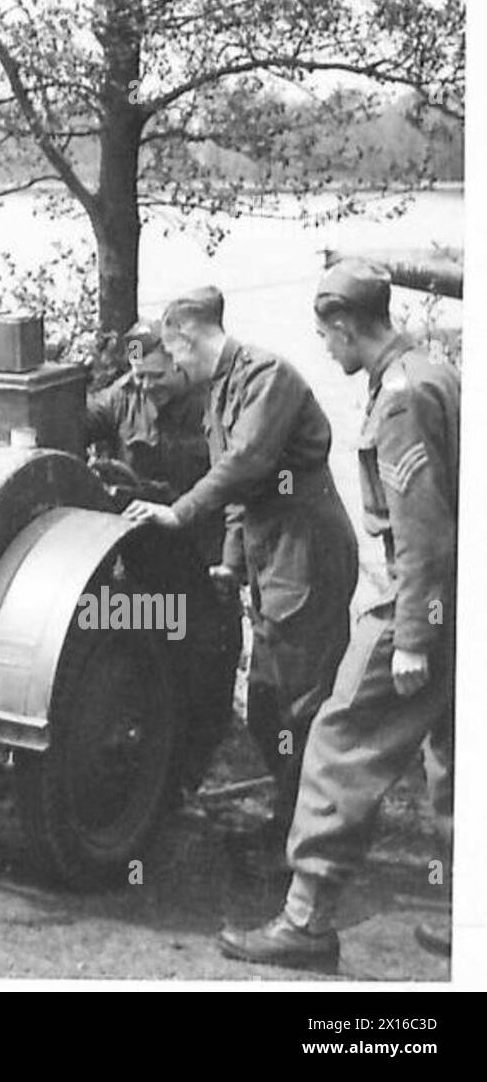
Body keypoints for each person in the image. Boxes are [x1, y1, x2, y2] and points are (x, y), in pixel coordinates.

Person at [218, 260, 459, 969]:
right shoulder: (434, 371)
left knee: (337, 739)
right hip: (456, 590)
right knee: (452, 752)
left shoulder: (400, 398)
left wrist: (412, 635)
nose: (326, 350)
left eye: (328, 338)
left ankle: (307, 920)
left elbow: (425, 529)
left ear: (349, 327)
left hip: (423, 595)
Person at [125, 286, 358, 855]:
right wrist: (229, 562)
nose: (172, 366)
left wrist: (180, 514)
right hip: (269, 551)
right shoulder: (222, 388)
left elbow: (246, 463)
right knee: (265, 706)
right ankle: (293, 822)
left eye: (174, 354)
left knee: (300, 703)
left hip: (305, 550)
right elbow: (237, 485)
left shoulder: (267, 376)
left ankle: (309, 842)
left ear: (188, 337)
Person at [85, 318, 222, 564]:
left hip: (204, 546)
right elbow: (81, 422)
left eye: (156, 376)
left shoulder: (215, 400)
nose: (146, 386)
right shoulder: (123, 397)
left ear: (179, 362)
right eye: (140, 376)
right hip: (144, 547)